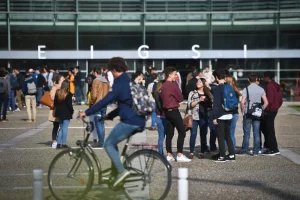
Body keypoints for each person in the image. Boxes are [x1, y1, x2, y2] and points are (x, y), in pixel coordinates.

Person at [79, 57, 146, 187]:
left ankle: (121, 172)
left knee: (108, 144)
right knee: (113, 143)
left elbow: (105, 100)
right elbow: (122, 105)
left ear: (114, 70)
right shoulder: (127, 80)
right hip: (137, 119)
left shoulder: (120, 82)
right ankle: (115, 176)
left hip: (130, 121)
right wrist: (108, 116)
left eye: (111, 71)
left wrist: (86, 112)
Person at [161, 67, 191, 162]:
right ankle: (179, 154)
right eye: (175, 74)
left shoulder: (163, 85)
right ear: (169, 75)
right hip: (174, 111)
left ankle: (169, 154)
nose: (176, 76)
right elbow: (181, 98)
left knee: (169, 133)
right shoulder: (172, 85)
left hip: (166, 111)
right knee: (182, 131)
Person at [239, 74, 269, 156]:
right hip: (257, 113)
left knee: (246, 133)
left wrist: (242, 111)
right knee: (256, 133)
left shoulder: (246, 89)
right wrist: (261, 109)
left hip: (248, 112)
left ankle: (244, 150)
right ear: (256, 79)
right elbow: (266, 102)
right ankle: (256, 151)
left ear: (248, 80)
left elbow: (242, 102)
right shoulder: (261, 89)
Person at [211, 69, 235, 162]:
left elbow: (216, 104)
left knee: (220, 137)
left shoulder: (218, 88)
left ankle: (222, 156)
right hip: (229, 113)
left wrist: (214, 117)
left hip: (221, 115)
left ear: (217, 77)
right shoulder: (229, 86)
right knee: (228, 135)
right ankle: (232, 155)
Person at [188, 78, 213, 159]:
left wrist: (209, 88)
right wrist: (199, 100)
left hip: (204, 117)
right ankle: (191, 152)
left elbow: (213, 102)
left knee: (203, 135)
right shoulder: (192, 93)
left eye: (200, 82)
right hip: (194, 116)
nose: (198, 83)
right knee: (193, 135)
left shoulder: (207, 93)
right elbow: (189, 105)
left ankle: (202, 152)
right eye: (197, 82)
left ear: (203, 83)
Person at [262, 71, 283, 156]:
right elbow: (280, 100)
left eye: (264, 77)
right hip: (274, 110)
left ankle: (274, 149)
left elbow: (269, 100)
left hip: (270, 110)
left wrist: (266, 109)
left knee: (269, 130)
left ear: (267, 77)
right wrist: (276, 107)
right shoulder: (275, 85)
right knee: (268, 129)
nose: (263, 79)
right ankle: (269, 147)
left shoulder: (270, 86)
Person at [89, 66, 110, 148]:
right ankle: (102, 141)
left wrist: (91, 103)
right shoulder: (106, 81)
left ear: (95, 73)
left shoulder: (96, 81)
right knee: (101, 123)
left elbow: (93, 95)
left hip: (97, 104)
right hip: (104, 104)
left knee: (98, 123)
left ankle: (101, 142)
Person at [54, 80, 74, 149]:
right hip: (66, 113)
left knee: (61, 128)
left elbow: (55, 104)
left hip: (59, 113)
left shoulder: (57, 92)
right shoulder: (68, 94)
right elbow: (69, 105)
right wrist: (72, 111)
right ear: (67, 86)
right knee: (65, 128)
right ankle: (64, 143)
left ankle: (59, 143)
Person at [49, 74, 65, 149]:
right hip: (56, 109)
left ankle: (60, 141)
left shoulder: (64, 87)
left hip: (62, 109)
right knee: (56, 126)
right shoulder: (55, 87)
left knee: (62, 126)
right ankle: (54, 141)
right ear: (59, 79)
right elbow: (52, 97)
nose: (64, 79)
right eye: (62, 78)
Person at [226, 76, 241, 149]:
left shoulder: (227, 90)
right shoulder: (236, 90)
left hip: (228, 113)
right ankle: (233, 148)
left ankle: (226, 148)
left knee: (226, 133)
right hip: (235, 113)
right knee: (231, 133)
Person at [153, 80, 166, 155]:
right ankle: (160, 153)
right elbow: (159, 105)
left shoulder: (157, 93)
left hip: (160, 116)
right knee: (161, 136)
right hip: (161, 116)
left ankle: (161, 152)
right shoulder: (158, 94)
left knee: (162, 136)